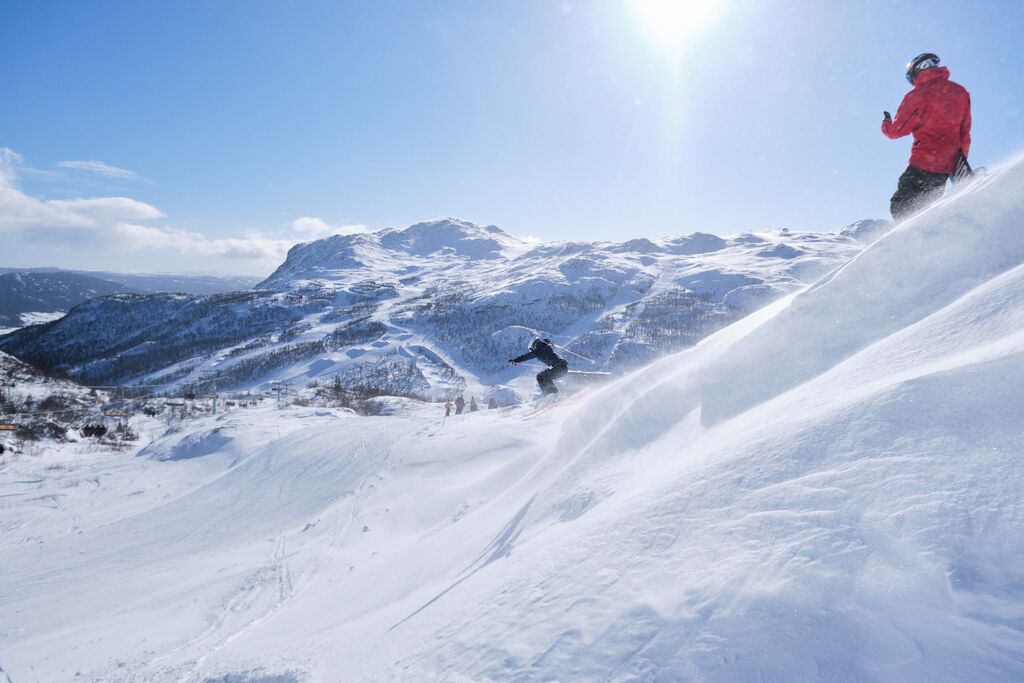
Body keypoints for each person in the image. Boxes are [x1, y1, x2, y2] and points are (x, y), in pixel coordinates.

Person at [881, 52, 971, 220]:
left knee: (900, 206)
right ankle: (930, 241)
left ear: (918, 70)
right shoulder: (960, 92)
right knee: (926, 211)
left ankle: (911, 243)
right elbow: (964, 133)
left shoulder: (918, 94)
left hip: (923, 163)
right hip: (946, 166)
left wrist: (886, 122)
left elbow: (895, 132)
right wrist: (959, 162)